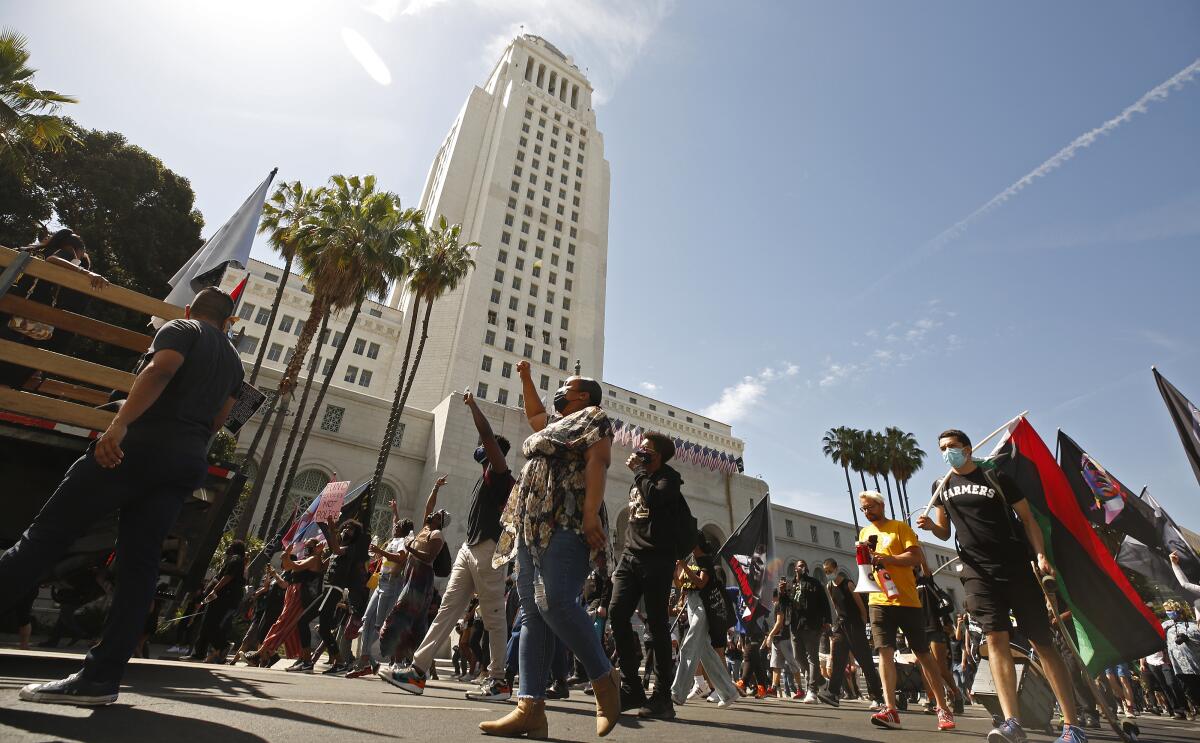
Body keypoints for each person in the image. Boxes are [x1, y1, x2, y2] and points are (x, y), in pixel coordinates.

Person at [4, 287, 243, 705]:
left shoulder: (182, 327)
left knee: (43, 539)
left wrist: (119, 425)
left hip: (136, 448)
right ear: (229, 322)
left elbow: (160, 370)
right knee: (139, 568)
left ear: (191, 310)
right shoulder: (235, 362)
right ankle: (100, 678)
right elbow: (222, 416)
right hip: (186, 461)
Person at [479, 364, 621, 739]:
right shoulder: (555, 424)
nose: (560, 392)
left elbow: (598, 461)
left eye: (567, 388)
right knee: (532, 615)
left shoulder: (594, 417)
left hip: (568, 519)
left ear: (584, 396)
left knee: (554, 601)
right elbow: (535, 415)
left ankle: (605, 681)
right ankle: (530, 709)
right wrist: (525, 378)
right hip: (530, 523)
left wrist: (590, 514)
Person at [917, 429, 1085, 743]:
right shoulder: (939, 486)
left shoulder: (996, 478)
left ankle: (1072, 725)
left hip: (1015, 567)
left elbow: (1028, 520)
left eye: (952, 446)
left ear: (967, 449)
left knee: (1041, 643)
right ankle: (1011, 722)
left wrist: (1040, 555)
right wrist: (930, 527)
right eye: (942, 448)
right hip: (977, 572)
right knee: (995, 639)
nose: (946, 452)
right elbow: (943, 532)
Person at [387, 392, 516, 701]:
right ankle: (417, 671)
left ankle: (498, 680)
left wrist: (473, 406)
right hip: (469, 548)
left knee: (494, 616)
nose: (478, 450)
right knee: (448, 609)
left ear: (491, 451)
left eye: (483, 448)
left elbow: (486, 435)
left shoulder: (500, 475)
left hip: (489, 549)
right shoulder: (482, 478)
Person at [857, 490, 955, 731]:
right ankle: (890, 709)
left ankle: (941, 707)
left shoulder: (899, 528)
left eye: (870, 507)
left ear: (881, 505)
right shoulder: (864, 533)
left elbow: (916, 557)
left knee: (923, 654)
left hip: (907, 600)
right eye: (864, 509)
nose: (867, 512)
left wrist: (887, 559)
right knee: (885, 653)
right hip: (878, 600)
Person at [608, 431, 688, 719]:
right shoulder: (640, 476)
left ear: (658, 456)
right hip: (630, 557)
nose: (640, 451)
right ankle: (631, 683)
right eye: (640, 448)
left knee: (656, 626)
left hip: (657, 559)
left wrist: (640, 471)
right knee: (617, 613)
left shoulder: (669, 478)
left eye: (647, 450)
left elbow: (654, 499)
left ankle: (662, 697)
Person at [0, 229, 108, 389]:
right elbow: (53, 260)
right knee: (9, 377)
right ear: (77, 250)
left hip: (7, 313)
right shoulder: (67, 252)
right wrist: (85, 271)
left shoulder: (32, 252)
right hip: (25, 323)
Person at [376, 477, 450, 674]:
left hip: (420, 581)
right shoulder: (425, 528)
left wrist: (411, 549)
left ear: (439, 522)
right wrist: (435, 487)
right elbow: (429, 505)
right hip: (411, 577)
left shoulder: (436, 535)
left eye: (435, 515)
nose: (431, 514)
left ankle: (400, 661)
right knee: (415, 625)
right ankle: (423, 666)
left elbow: (429, 556)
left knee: (403, 618)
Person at [670, 532, 738, 708]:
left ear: (696, 544)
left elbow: (701, 583)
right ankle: (728, 692)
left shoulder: (706, 561)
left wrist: (684, 567)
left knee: (689, 645)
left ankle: (678, 692)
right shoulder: (689, 559)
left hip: (704, 605)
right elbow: (679, 585)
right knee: (706, 652)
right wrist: (676, 571)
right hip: (691, 604)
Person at [347, 511, 414, 677]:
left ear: (403, 529)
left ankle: (367, 660)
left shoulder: (404, 542)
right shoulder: (393, 539)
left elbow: (400, 558)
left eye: (397, 526)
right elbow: (396, 522)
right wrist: (395, 510)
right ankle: (368, 661)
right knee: (367, 620)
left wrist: (381, 552)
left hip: (392, 583)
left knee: (379, 624)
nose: (394, 527)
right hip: (381, 582)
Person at [251, 537, 327, 670]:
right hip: (293, 593)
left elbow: (295, 566)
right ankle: (302, 658)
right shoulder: (308, 558)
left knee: (282, 623)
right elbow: (288, 566)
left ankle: (262, 653)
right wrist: (286, 556)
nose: (306, 548)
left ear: (316, 548)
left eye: (310, 546)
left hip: (300, 595)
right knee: (294, 628)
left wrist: (287, 556)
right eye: (306, 545)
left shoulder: (314, 559)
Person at [818, 557, 884, 708]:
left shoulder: (848, 584)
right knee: (838, 659)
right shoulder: (829, 586)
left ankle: (877, 696)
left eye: (830, 571)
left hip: (855, 625)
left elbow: (861, 607)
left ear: (836, 569)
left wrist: (863, 624)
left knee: (865, 661)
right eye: (826, 571)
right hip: (841, 626)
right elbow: (835, 607)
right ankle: (834, 693)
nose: (828, 573)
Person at [777, 561, 831, 703]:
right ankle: (821, 682)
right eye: (798, 565)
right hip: (796, 626)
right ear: (795, 569)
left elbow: (824, 602)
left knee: (812, 658)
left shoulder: (814, 583)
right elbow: (785, 606)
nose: (801, 567)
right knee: (798, 657)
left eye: (803, 565)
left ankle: (812, 690)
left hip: (812, 625)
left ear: (806, 569)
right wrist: (782, 592)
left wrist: (827, 621)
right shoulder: (791, 586)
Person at [186, 540, 247, 662]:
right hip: (220, 597)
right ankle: (199, 653)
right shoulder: (236, 560)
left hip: (223, 597)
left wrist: (214, 590)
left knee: (210, 624)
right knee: (206, 624)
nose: (228, 547)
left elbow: (228, 576)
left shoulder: (236, 559)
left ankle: (223, 645)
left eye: (230, 545)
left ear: (234, 548)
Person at [762, 578, 802, 698]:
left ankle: (800, 688)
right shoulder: (787, 604)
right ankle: (774, 688)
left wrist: (770, 635)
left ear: (775, 597)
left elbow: (779, 622)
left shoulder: (780, 605)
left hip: (782, 638)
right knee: (776, 664)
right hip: (780, 638)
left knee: (790, 663)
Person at [1163, 601, 1200, 714]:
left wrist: (1187, 639)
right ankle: (1196, 706)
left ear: (1177, 610)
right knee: (1188, 690)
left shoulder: (1193, 625)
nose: (1168, 612)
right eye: (1166, 610)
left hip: (1195, 664)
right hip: (1179, 666)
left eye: (1170, 610)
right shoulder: (1166, 626)